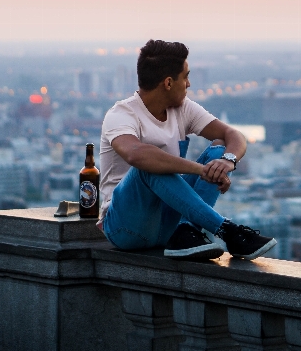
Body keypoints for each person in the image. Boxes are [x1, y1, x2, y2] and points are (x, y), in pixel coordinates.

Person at [98, 39, 276, 260]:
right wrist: (200, 170)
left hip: (169, 224)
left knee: (219, 149)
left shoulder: (183, 109)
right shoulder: (121, 115)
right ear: (169, 83)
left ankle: (185, 231)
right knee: (148, 165)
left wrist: (228, 160)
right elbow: (136, 154)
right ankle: (226, 231)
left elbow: (233, 136)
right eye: (186, 76)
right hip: (126, 228)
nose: (189, 84)